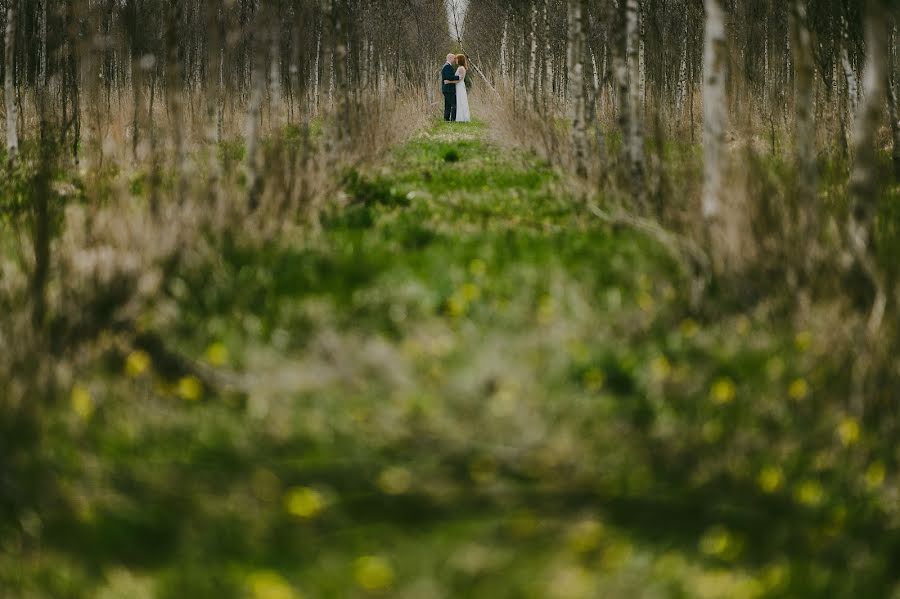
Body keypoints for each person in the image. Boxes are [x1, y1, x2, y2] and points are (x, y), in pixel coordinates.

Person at [441, 54, 460, 122]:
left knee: (448, 105)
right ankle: (453, 120)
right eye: (454, 58)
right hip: (448, 89)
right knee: (454, 104)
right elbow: (449, 77)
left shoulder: (447, 66)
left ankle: (446, 119)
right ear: (450, 58)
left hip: (447, 89)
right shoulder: (447, 66)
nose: (455, 60)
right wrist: (459, 77)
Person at [453, 54, 470, 122]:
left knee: (461, 101)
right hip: (459, 85)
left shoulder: (461, 68)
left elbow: (460, 79)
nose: (455, 60)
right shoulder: (460, 67)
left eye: (456, 59)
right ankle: (460, 117)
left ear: (460, 60)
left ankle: (462, 118)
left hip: (460, 86)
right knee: (459, 100)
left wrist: (450, 82)